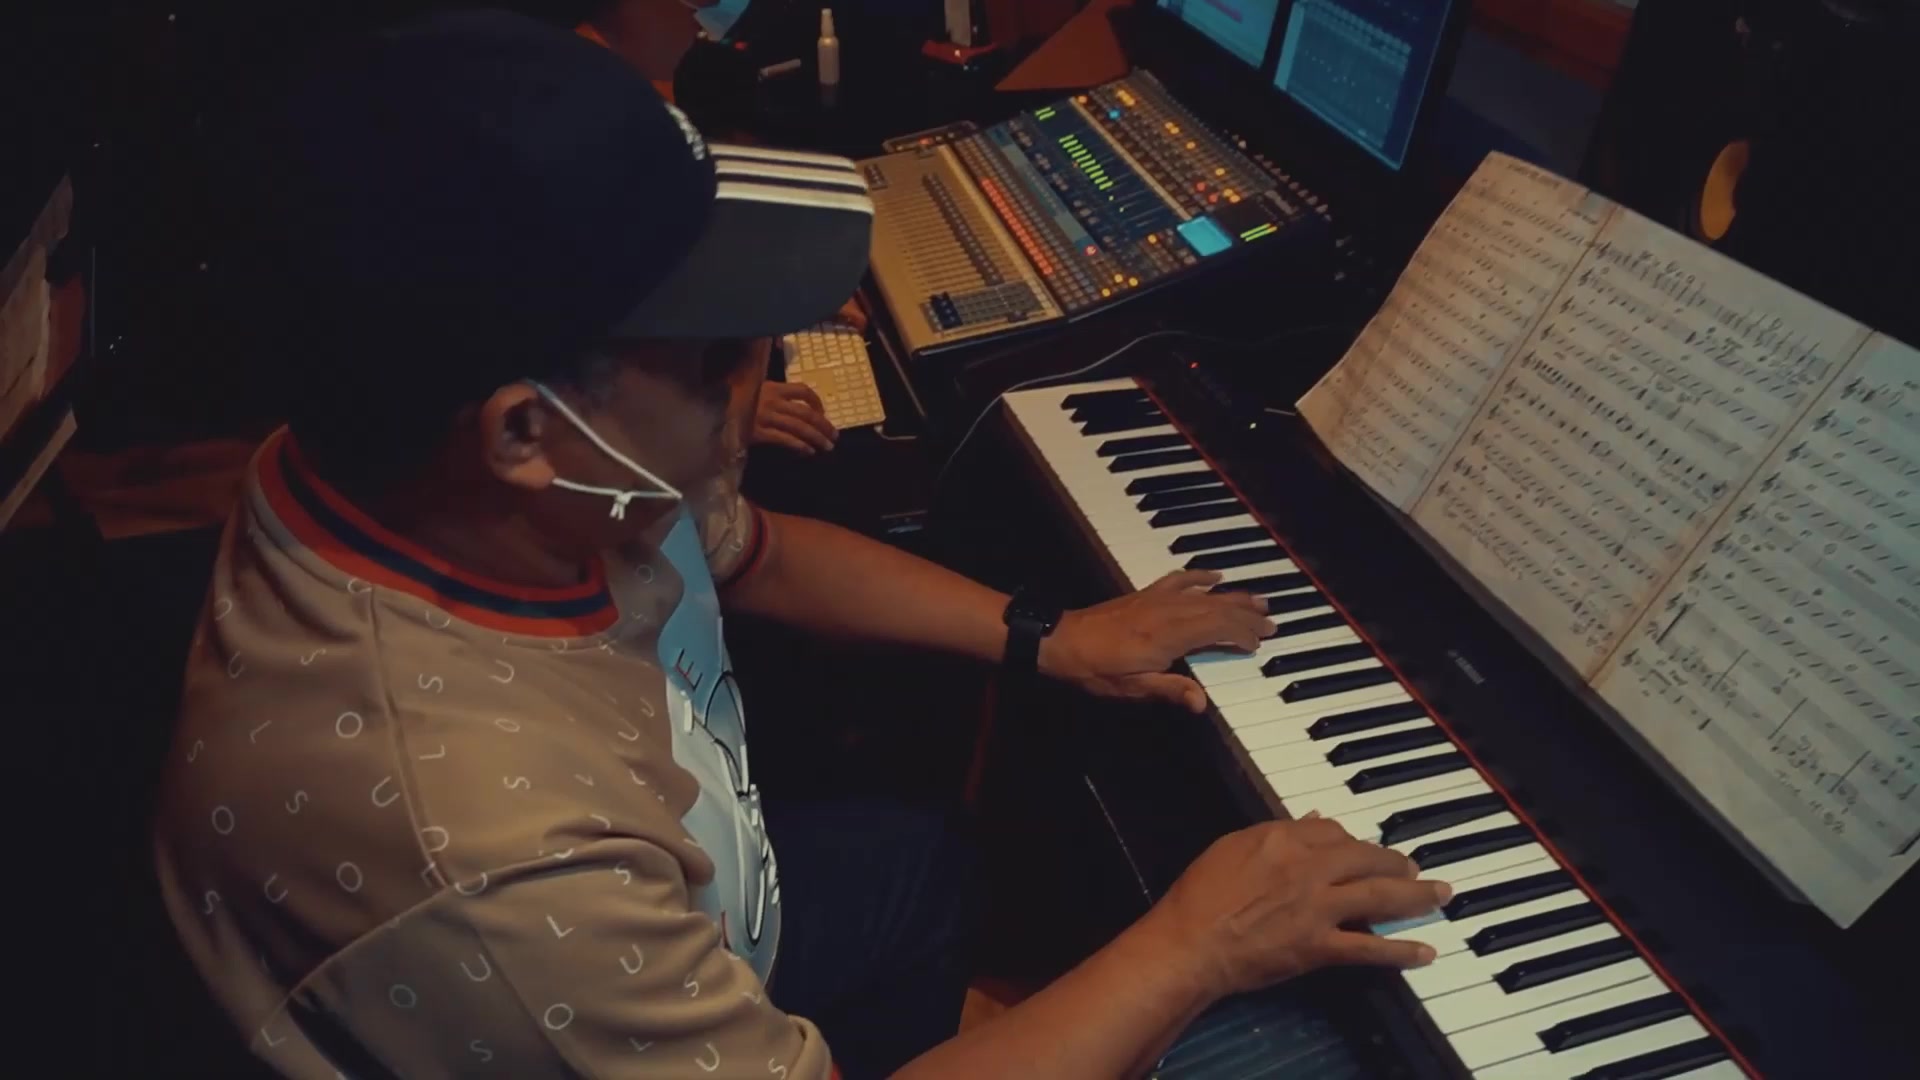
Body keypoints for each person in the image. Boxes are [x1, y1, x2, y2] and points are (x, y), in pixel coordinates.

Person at [151, 12, 1448, 1079]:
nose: (766, 365)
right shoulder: (495, 860)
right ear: (523, 433)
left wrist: (1046, 638)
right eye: (719, 352)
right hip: (574, 940)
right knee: (1293, 1049)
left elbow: (750, 551)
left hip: (695, 906)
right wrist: (1196, 946)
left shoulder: (452, 468)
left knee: (925, 863)